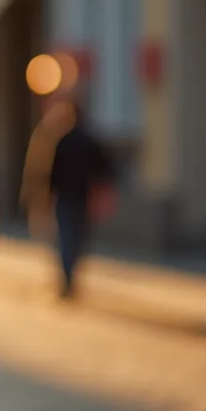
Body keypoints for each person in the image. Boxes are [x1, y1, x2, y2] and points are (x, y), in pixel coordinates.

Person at [46, 101, 115, 299]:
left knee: (66, 239)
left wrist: (48, 197)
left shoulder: (63, 140)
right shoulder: (89, 141)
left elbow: (52, 173)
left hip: (66, 199)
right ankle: (70, 276)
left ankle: (67, 279)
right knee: (77, 240)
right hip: (82, 199)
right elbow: (105, 171)